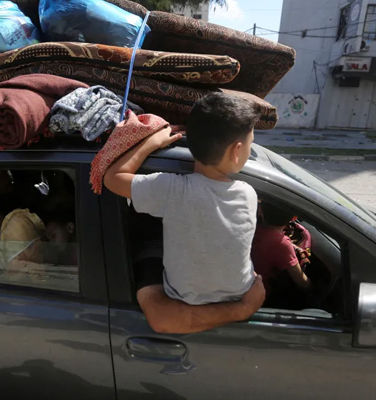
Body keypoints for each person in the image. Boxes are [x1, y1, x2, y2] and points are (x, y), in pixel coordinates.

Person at [104, 93, 266, 329]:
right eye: (250, 146)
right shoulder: (249, 194)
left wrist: (151, 142)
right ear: (236, 150)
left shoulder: (172, 190)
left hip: (181, 298)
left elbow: (112, 178)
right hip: (240, 295)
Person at [251, 202, 311, 298]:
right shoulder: (282, 245)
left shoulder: (249, 227)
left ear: (260, 210)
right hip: (258, 294)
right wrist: (313, 288)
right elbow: (301, 281)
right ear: (294, 218)